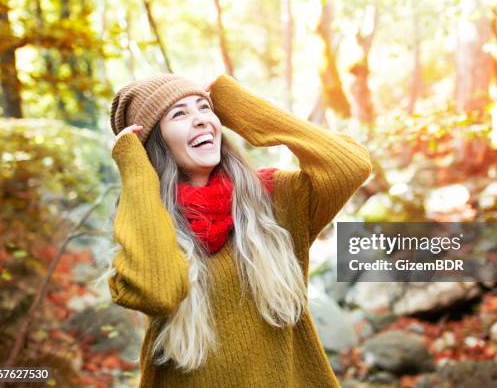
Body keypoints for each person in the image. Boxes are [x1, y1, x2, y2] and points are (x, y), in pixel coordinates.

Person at [107, 73, 372, 387]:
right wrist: (136, 171)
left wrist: (236, 104)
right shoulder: (145, 227)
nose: (201, 120)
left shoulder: (274, 198)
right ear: (152, 143)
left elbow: (350, 165)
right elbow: (159, 293)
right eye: (179, 114)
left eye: (205, 108)